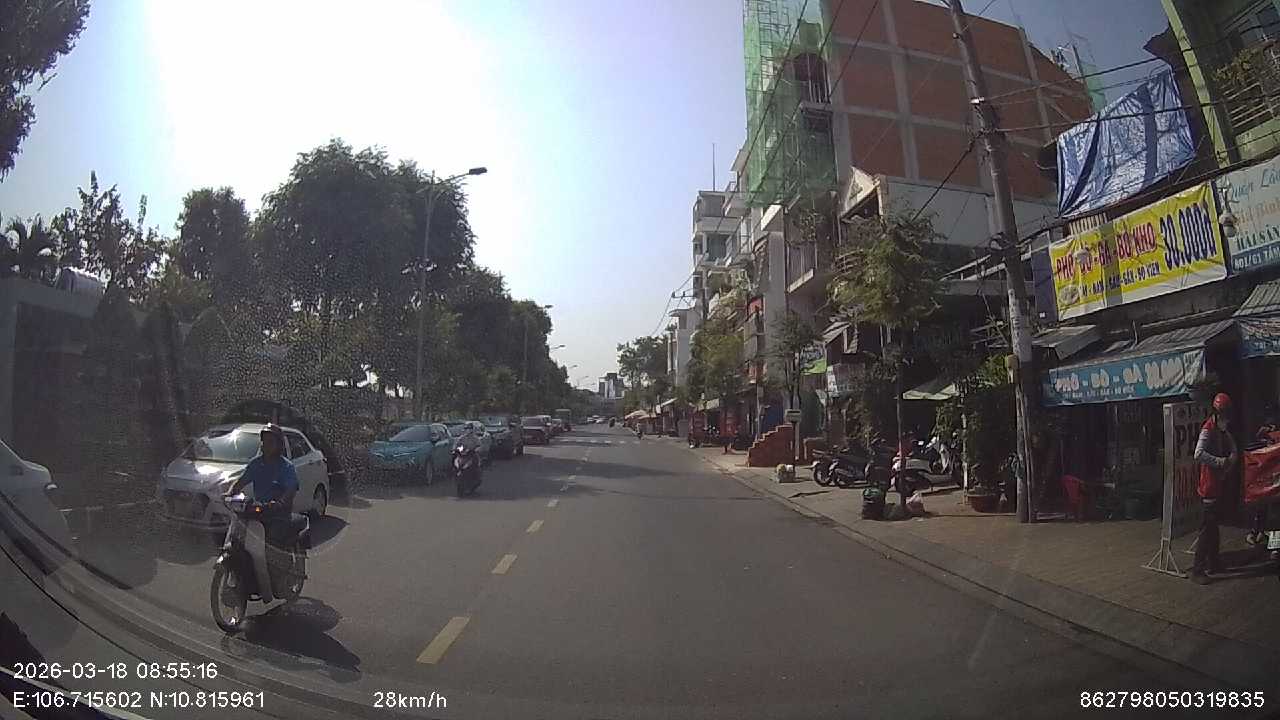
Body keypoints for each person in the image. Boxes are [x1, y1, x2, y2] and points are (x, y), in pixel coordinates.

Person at [226, 424, 306, 585]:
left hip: (278, 514)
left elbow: (291, 489)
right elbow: (241, 481)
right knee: (240, 537)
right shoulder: (256, 463)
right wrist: (230, 493)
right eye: (264, 441)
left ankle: (278, 577)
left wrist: (280, 502)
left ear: (278, 445)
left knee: (271, 543)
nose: (266, 445)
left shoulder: (286, 466)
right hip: (259, 511)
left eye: (270, 442)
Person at [1191, 393, 1239, 584]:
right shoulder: (1208, 429)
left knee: (1213, 527)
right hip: (1208, 485)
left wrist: (1231, 457)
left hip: (1217, 483)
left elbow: (1232, 447)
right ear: (1218, 413)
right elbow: (1198, 454)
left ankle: (1214, 562)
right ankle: (1198, 570)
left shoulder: (1221, 430)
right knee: (1207, 530)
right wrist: (1220, 462)